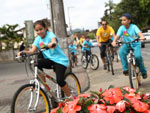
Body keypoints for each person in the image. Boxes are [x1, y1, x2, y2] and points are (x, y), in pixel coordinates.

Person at [17, 20, 70, 96]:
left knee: (60, 81)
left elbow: (53, 42)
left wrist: (51, 44)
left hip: (60, 61)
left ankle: (70, 98)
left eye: (41, 29)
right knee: (37, 63)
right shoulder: (37, 39)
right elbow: (32, 51)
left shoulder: (50, 34)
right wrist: (23, 52)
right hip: (50, 60)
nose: (39, 32)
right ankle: (44, 86)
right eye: (37, 30)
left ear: (45, 28)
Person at [112, 13, 147, 79]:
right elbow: (117, 36)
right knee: (121, 52)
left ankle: (143, 72)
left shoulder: (134, 27)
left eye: (124, 20)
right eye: (122, 20)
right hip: (127, 44)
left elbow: (139, 33)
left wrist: (142, 36)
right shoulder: (121, 28)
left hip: (136, 43)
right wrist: (114, 41)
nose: (122, 21)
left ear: (129, 21)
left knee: (138, 57)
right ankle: (126, 69)